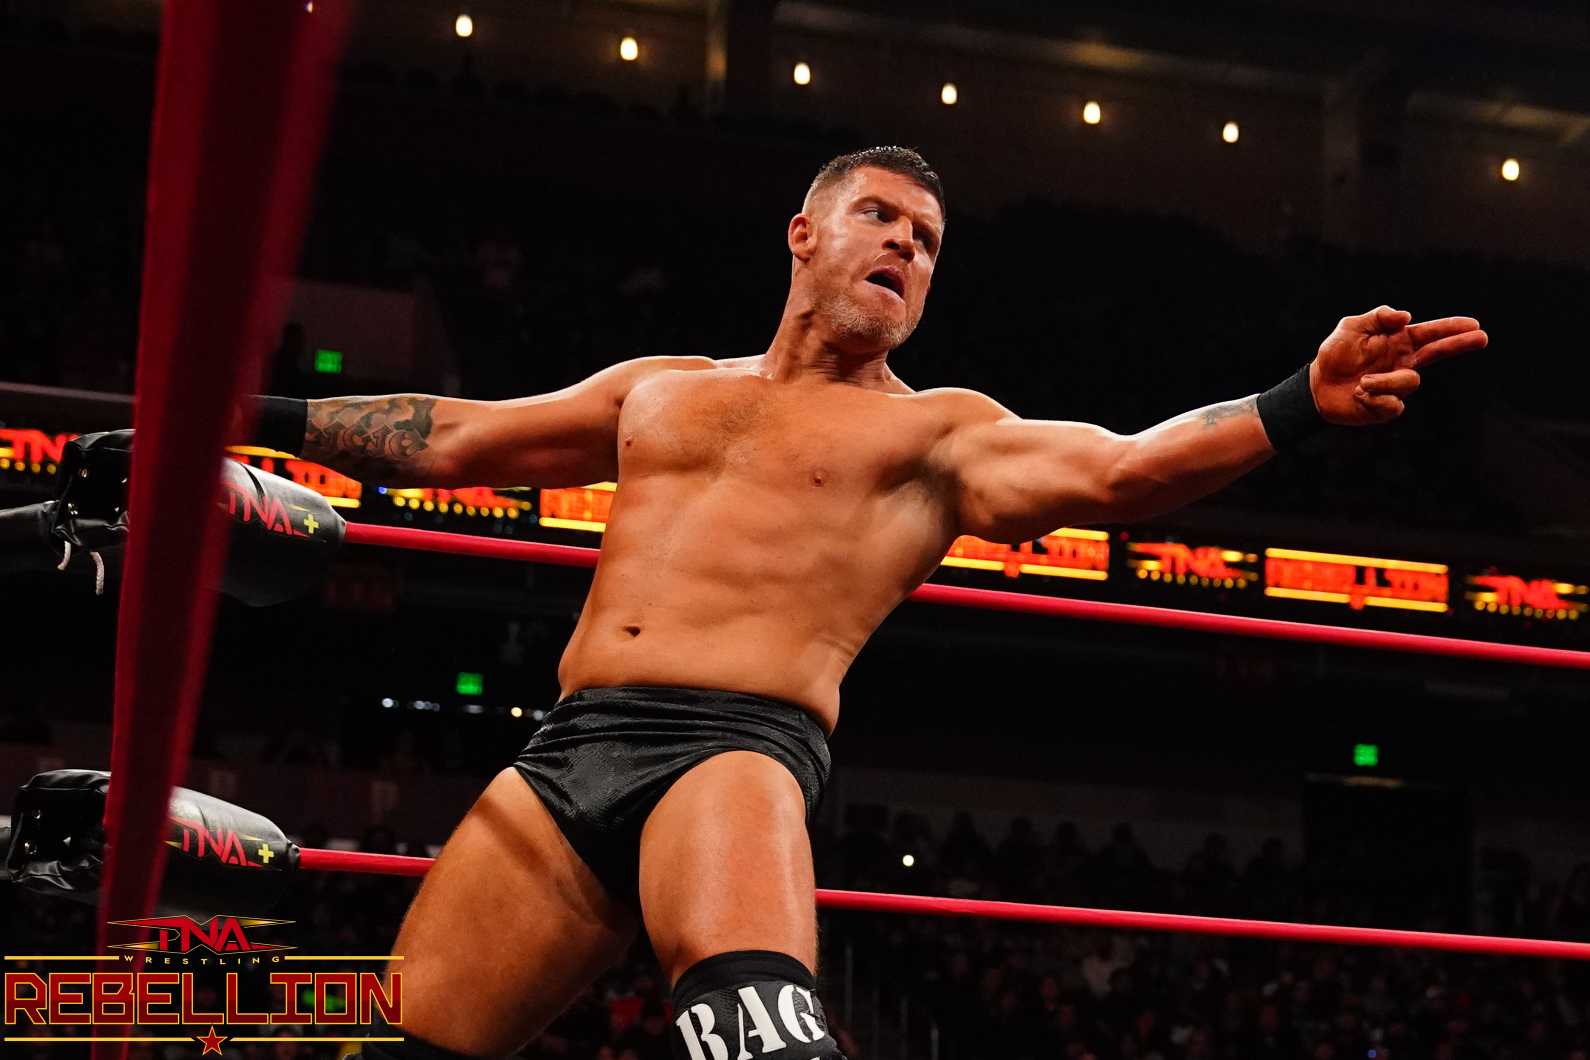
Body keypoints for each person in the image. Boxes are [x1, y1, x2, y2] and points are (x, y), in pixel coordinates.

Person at [242, 146, 1487, 1059]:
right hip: (565, 752)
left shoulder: (936, 434)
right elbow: (456, 437)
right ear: (804, 234)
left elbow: (1122, 471)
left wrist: (1295, 401)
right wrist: (241, 419)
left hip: (727, 752)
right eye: (879, 217)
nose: (905, 245)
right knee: (392, 1042)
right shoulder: (661, 389)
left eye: (927, 241)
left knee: (757, 1034)